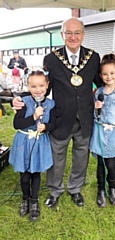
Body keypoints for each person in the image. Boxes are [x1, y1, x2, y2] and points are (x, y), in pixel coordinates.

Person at [12, 17, 115, 208]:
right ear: (62, 34)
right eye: (69, 32)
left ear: (83, 35)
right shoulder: (51, 59)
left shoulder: (93, 57)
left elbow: (103, 84)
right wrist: (20, 98)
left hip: (85, 117)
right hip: (60, 118)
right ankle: (55, 190)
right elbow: (43, 86)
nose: (73, 37)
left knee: (80, 157)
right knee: (57, 156)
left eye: (77, 32)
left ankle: (75, 189)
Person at [9, 68, 56, 222]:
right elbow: (17, 124)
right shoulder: (24, 101)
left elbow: (54, 123)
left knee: (36, 173)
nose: (38, 90)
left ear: (47, 85)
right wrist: (33, 117)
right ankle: (25, 199)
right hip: (24, 143)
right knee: (24, 175)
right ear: (28, 87)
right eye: (34, 87)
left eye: (41, 86)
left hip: (39, 142)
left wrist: (46, 127)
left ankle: (34, 201)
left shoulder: (51, 104)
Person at [90, 53, 115, 208]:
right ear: (101, 75)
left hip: (114, 135)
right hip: (100, 133)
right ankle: (101, 190)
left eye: (112, 73)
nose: (109, 77)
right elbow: (95, 116)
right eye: (105, 74)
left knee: (111, 164)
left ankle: (112, 189)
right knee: (100, 164)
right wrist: (96, 108)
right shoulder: (98, 92)